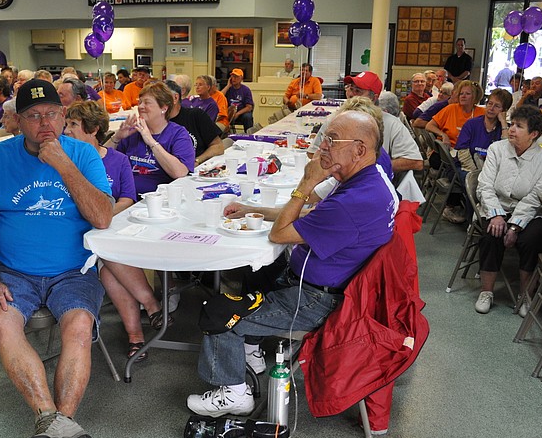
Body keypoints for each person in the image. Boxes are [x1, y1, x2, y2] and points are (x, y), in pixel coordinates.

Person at [186, 110, 398, 417]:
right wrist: (251, 209)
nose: (321, 147)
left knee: (220, 312)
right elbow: (314, 218)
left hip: (315, 299)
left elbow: (281, 233)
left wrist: (307, 183)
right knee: (256, 270)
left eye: (331, 140)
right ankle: (252, 352)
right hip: (333, 284)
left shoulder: (353, 203)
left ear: (359, 149)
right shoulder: (373, 176)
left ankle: (234, 393)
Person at [0, 79, 113, 438]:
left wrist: (63, 164)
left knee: (78, 326)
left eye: (52, 113)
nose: (44, 122)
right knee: (0, 321)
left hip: (73, 271)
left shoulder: (83, 153)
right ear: (16, 121)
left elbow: (102, 217)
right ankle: (53, 424)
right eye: (33, 115)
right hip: (12, 273)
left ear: (65, 116)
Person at [65, 100, 171, 361]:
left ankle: (136, 336)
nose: (66, 130)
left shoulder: (117, 159)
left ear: (93, 129)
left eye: (73, 125)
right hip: (76, 233)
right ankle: (151, 305)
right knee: (108, 253)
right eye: (66, 124)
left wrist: (101, 215)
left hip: (108, 228)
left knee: (108, 264)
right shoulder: (64, 161)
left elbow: (127, 198)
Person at [474, 105, 542, 315]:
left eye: (519, 126)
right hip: (496, 204)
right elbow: (485, 185)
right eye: (511, 125)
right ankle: (487, 292)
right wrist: (496, 214)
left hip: (525, 211)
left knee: (533, 239)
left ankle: (524, 295)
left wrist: (515, 226)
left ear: (533, 134)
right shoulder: (497, 149)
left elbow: (535, 196)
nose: (511, 130)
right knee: (492, 234)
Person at [309, 71, 423, 175]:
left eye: (358, 91)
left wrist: (368, 168)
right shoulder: (334, 119)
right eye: (351, 88)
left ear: (374, 98)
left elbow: (415, 161)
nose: (351, 94)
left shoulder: (392, 124)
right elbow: (312, 153)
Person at [109, 82, 195, 196]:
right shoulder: (132, 132)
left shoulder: (178, 134)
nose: (140, 106)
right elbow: (102, 161)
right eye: (140, 102)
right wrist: (117, 137)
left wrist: (151, 141)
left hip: (157, 200)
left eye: (147, 103)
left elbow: (180, 172)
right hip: (125, 195)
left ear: (164, 108)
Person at [165, 79, 224, 167]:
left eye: (160, 97)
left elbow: (218, 147)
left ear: (175, 98)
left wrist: (197, 160)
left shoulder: (196, 115)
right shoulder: (154, 121)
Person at [455, 89, 511, 172]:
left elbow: (506, 153)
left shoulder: (506, 129)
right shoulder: (471, 124)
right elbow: (462, 152)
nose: (491, 108)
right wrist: (476, 174)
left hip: (492, 172)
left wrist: (503, 123)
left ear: (504, 111)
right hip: (468, 169)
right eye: (490, 103)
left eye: (497, 106)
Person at [426, 80, 485, 148]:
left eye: (467, 94)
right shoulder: (451, 108)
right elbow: (429, 126)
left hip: (471, 150)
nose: (463, 96)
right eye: (461, 94)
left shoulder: (482, 112)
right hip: (449, 149)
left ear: (475, 97)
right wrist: (443, 135)